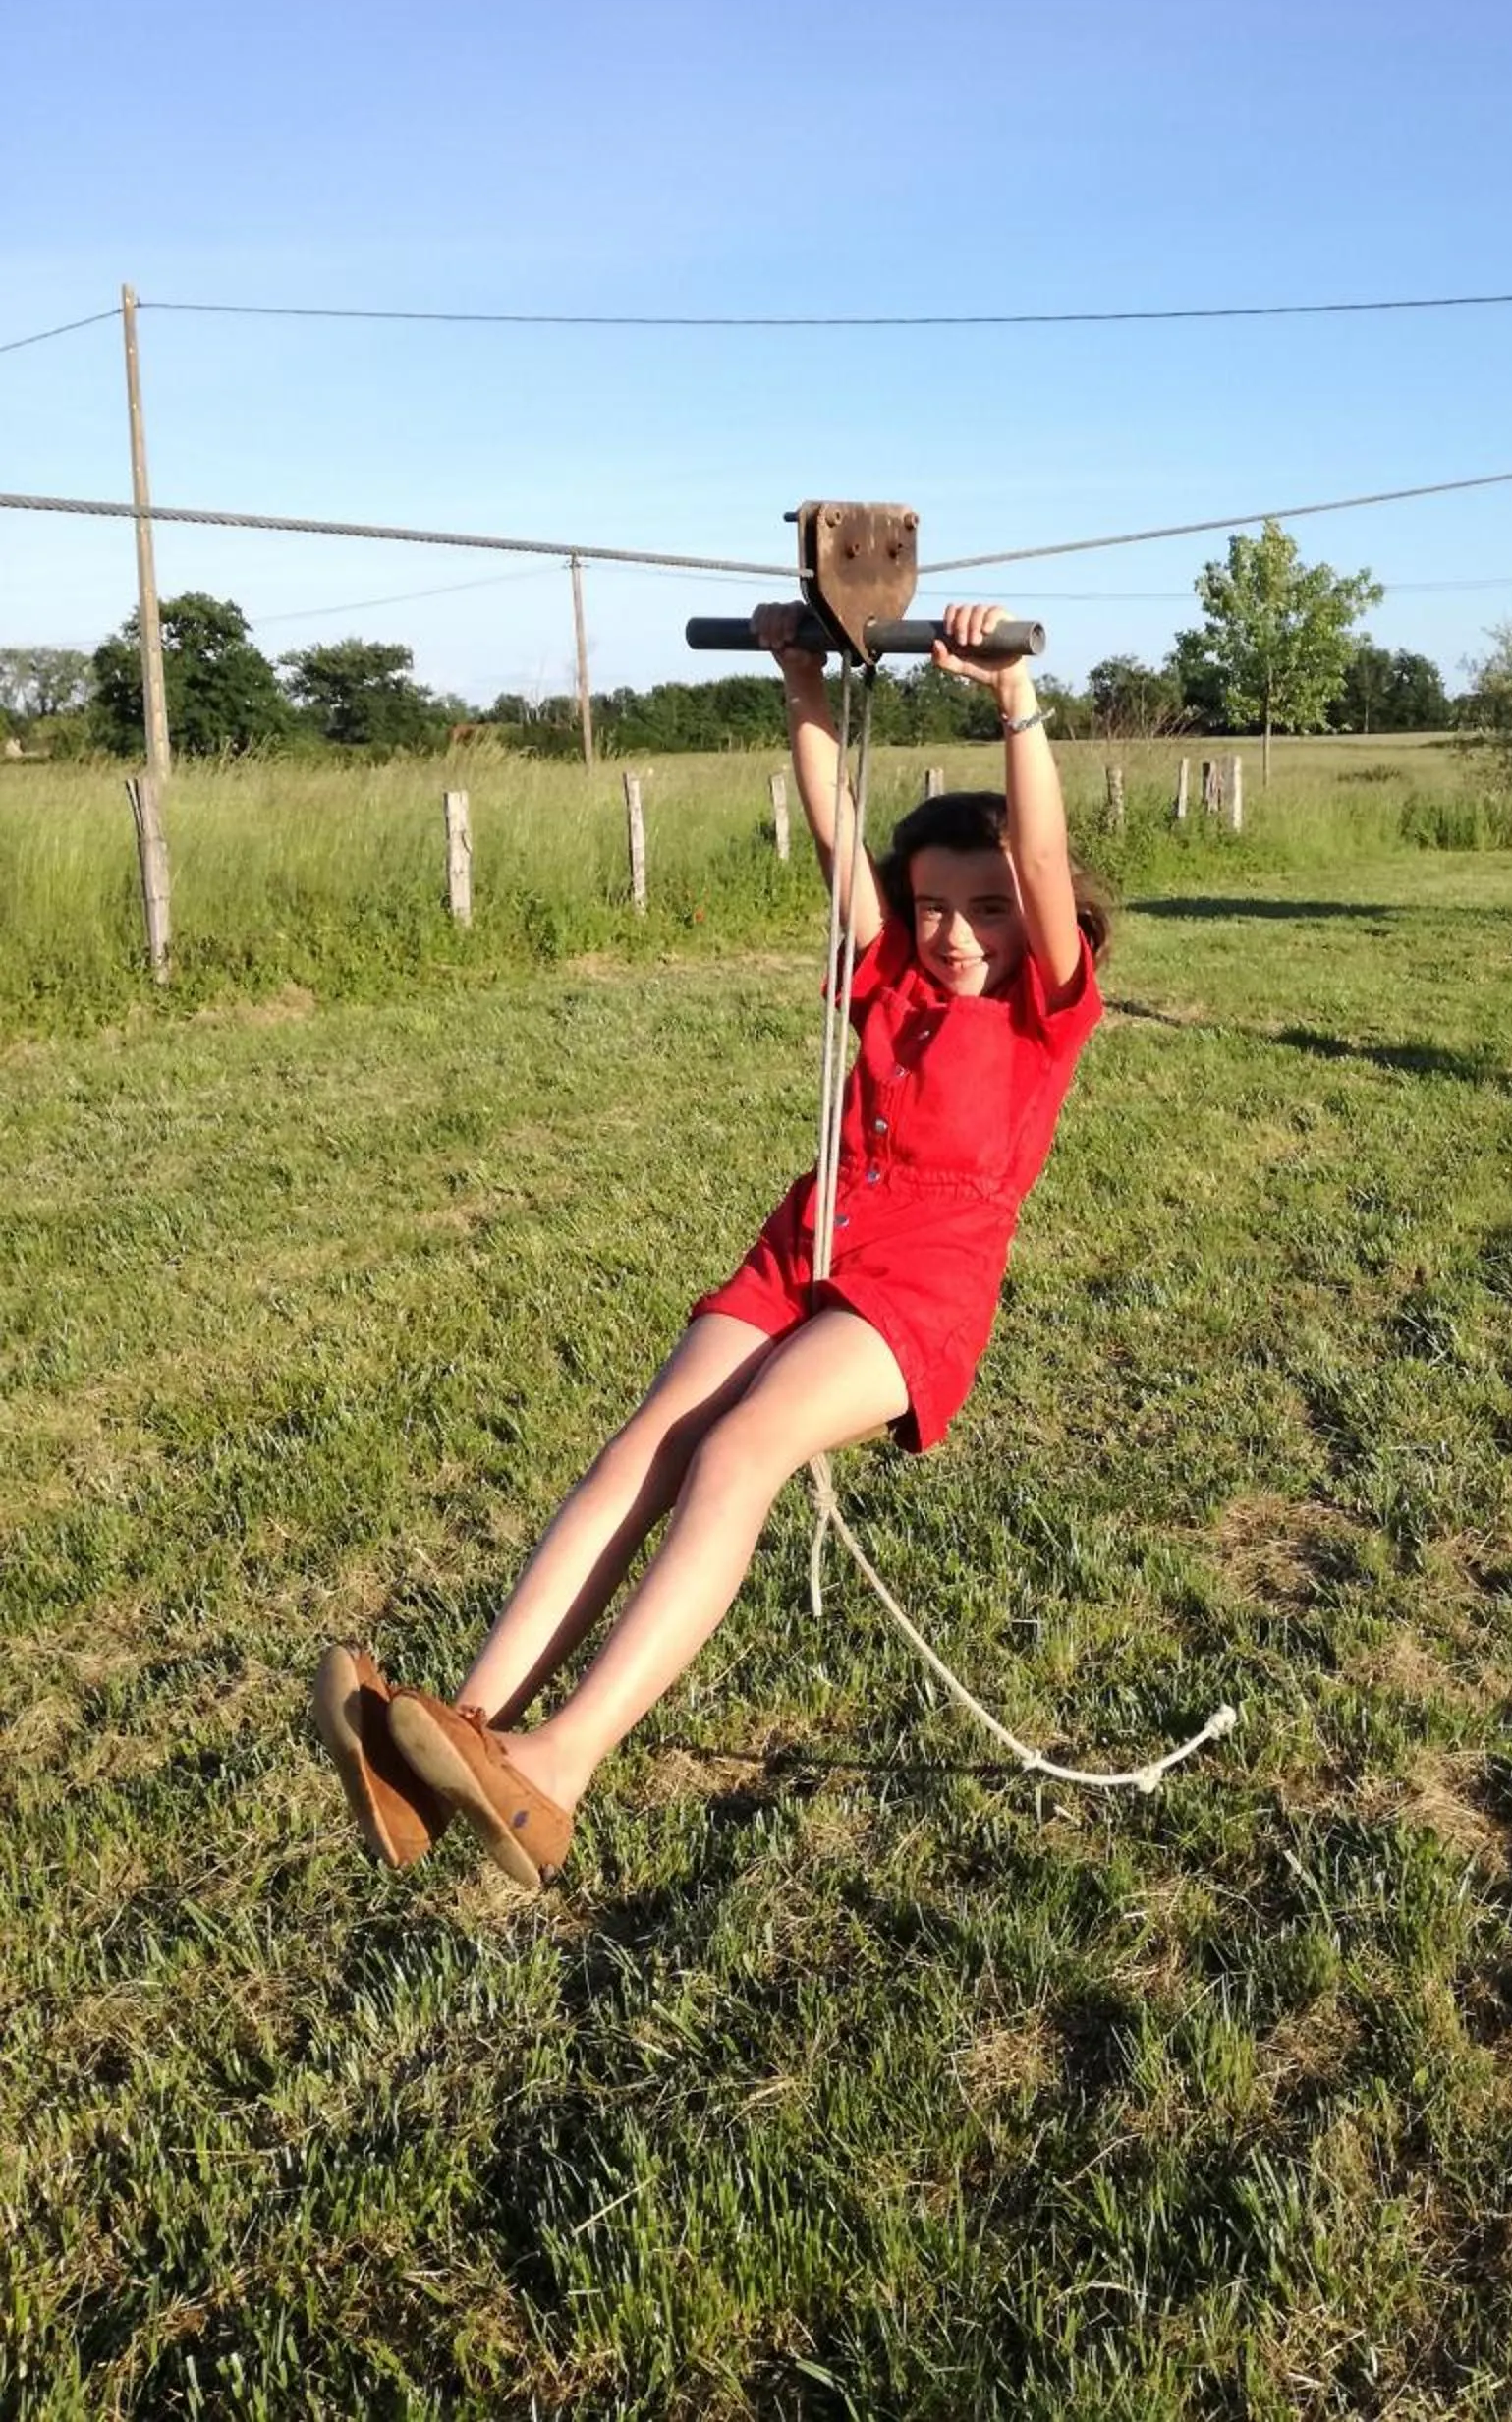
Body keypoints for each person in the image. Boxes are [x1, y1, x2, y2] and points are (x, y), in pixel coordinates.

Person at [312, 602, 1108, 1892]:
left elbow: (1046, 853)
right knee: (649, 1442)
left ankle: (556, 1773)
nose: (956, 933)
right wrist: (803, 679)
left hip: (922, 1284)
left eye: (986, 908)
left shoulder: (1041, 1010)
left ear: (1030, 917)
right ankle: (444, 1742)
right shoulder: (885, 975)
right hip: (807, 1241)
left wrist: (1013, 697)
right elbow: (829, 817)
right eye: (932, 908)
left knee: (739, 1452)